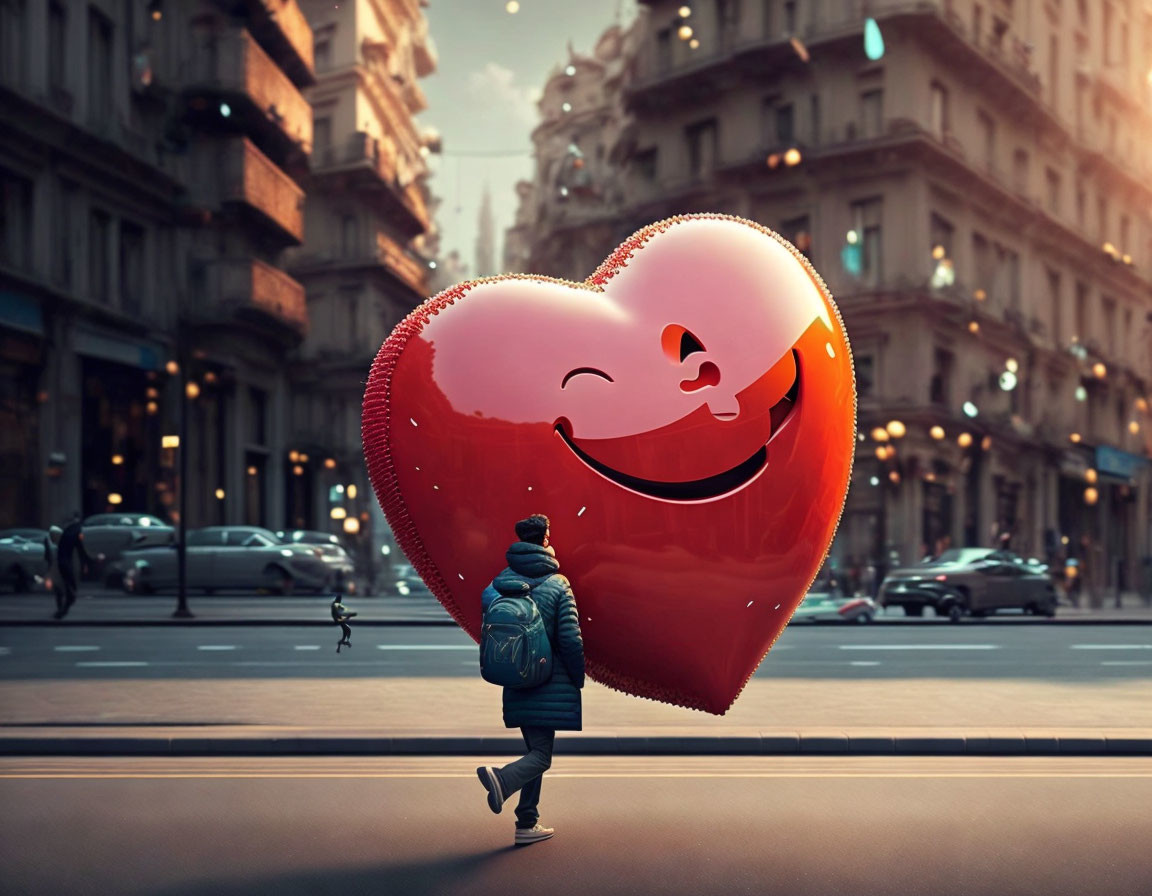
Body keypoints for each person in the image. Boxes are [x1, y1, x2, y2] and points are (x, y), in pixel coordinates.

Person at [475, 514, 584, 847]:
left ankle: (527, 821)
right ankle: (502, 780)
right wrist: (578, 677)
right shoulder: (557, 584)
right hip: (551, 682)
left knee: (535, 750)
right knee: (541, 756)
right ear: (546, 539)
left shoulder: (495, 587)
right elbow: (570, 639)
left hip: (516, 679)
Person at [53, 513, 90, 619]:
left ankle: (61, 610)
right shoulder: (75, 532)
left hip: (60, 562)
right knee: (70, 589)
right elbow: (81, 549)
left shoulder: (66, 531)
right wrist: (85, 563)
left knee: (62, 587)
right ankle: (62, 610)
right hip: (65, 562)